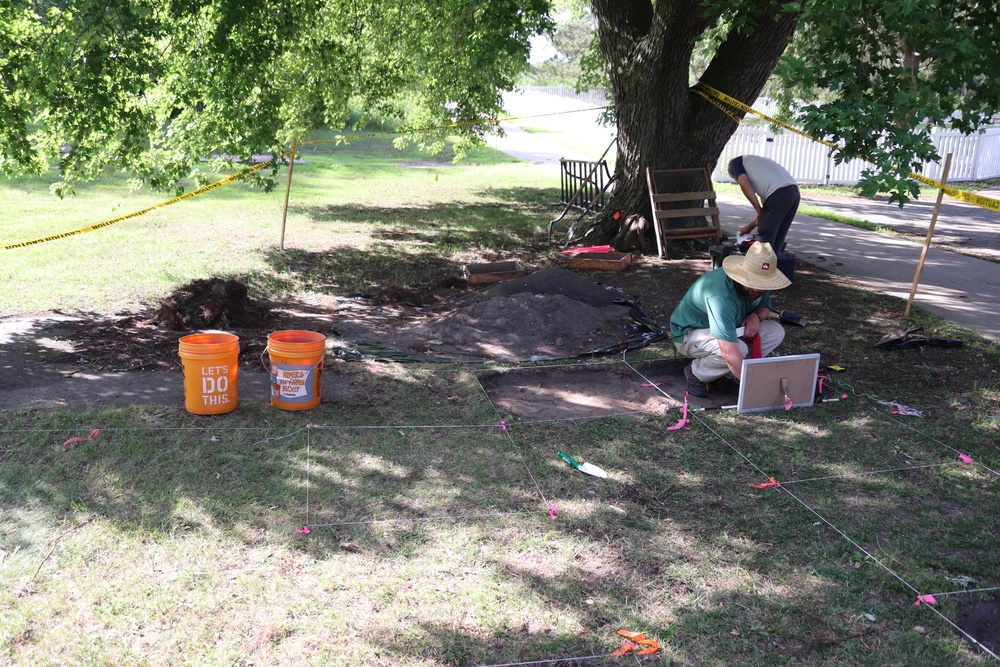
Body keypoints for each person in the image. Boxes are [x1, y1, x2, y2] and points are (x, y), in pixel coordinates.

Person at [670, 241, 791, 398]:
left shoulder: (761, 284)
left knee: (775, 331)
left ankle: (725, 375)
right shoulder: (720, 296)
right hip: (690, 334)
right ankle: (696, 373)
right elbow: (729, 351)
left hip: (730, 329)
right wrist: (756, 390)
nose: (757, 289)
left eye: (762, 284)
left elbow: (764, 307)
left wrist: (756, 316)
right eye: (753, 282)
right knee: (738, 349)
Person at [728, 155, 800, 253]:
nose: (736, 180)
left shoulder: (735, 164)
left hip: (780, 194)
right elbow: (765, 211)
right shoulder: (761, 172)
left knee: (765, 238)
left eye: (734, 178)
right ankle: (770, 265)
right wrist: (749, 228)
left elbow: (744, 184)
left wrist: (758, 210)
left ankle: (761, 266)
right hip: (793, 193)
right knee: (777, 237)